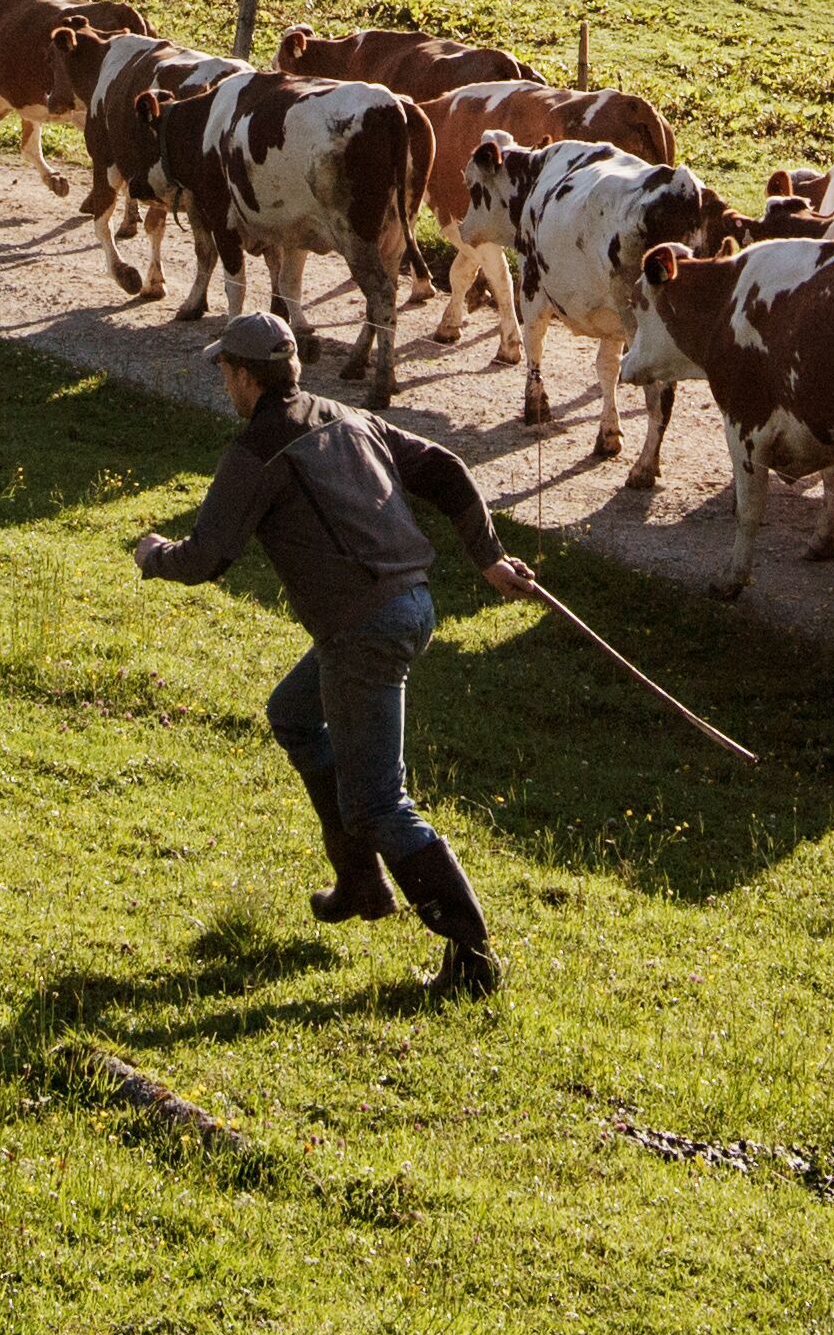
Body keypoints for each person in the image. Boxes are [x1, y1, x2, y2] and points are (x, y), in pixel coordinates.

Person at [133, 309, 539, 996]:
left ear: (243, 376)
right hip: (411, 606)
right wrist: (488, 558)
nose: (224, 386)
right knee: (293, 713)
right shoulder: (347, 418)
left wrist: (154, 556)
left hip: (365, 630)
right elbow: (445, 466)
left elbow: (208, 557)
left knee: (381, 801)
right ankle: (358, 879)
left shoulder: (257, 451)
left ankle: (471, 956)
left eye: (225, 374)